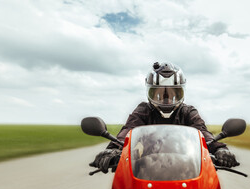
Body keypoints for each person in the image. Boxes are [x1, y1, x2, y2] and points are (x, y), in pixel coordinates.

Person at [89, 62, 240, 173]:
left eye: (174, 94)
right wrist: (114, 150)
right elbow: (128, 132)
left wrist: (220, 150)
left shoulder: (188, 112)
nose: (166, 99)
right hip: (143, 171)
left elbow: (203, 133)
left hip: (187, 170)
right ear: (150, 92)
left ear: (182, 93)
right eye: (159, 94)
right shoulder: (143, 110)